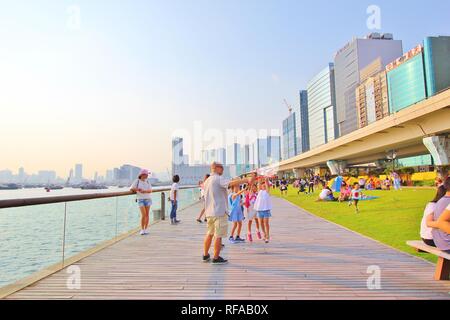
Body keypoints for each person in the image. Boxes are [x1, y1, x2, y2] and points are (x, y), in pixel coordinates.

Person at [203, 162, 253, 264]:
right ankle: (216, 257)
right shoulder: (218, 178)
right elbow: (231, 183)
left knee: (209, 233)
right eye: (221, 168)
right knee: (218, 235)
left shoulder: (207, 181)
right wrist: (247, 179)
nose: (223, 170)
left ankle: (205, 254)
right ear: (216, 168)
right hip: (219, 211)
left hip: (209, 212)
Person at [427, 177, 450, 253]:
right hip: (447, 244)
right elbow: (441, 222)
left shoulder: (440, 201)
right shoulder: (447, 202)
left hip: (440, 243)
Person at [130, 169, 153, 235]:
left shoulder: (147, 181)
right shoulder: (137, 181)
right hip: (140, 199)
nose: (147, 175)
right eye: (146, 174)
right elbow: (131, 188)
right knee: (143, 215)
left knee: (147, 215)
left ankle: (145, 229)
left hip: (148, 199)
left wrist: (144, 191)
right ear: (142, 174)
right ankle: (142, 229)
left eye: (147, 174)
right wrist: (138, 189)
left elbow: (150, 190)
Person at [254, 177, 272, 243]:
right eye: (262, 185)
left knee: (266, 223)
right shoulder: (259, 191)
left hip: (266, 210)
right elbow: (258, 183)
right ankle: (264, 233)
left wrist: (266, 179)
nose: (264, 186)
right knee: (260, 223)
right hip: (259, 210)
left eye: (265, 185)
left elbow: (267, 184)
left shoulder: (267, 191)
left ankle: (267, 236)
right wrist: (259, 177)